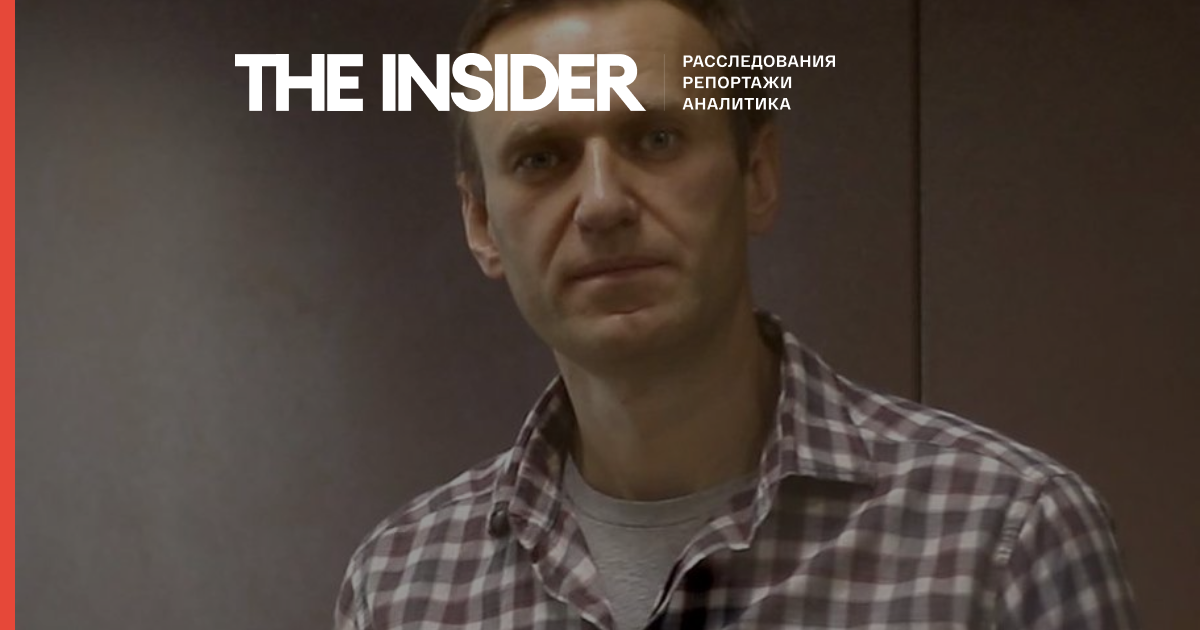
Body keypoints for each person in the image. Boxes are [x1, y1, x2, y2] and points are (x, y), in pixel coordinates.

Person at [334, 0, 1139, 627]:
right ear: (481, 223)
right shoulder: (402, 586)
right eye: (542, 158)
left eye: (655, 139)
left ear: (756, 174)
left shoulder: (1007, 538)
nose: (603, 204)